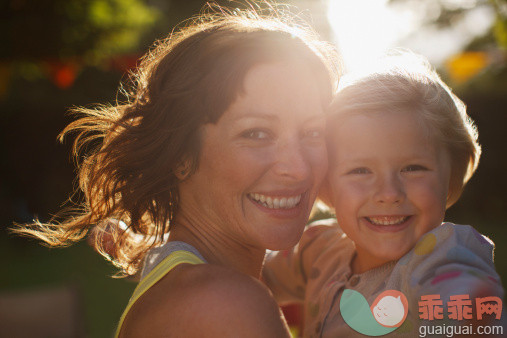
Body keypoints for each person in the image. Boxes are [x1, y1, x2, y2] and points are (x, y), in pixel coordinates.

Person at [14, 6, 340, 338]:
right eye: (255, 134)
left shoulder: (188, 280)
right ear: (180, 154)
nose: (298, 168)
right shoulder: (223, 304)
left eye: (313, 132)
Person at [263, 51, 505, 337]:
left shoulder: (442, 259)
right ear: (327, 185)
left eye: (413, 168)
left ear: (449, 179)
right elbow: (247, 275)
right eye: (360, 171)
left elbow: (468, 307)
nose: (389, 193)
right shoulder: (318, 250)